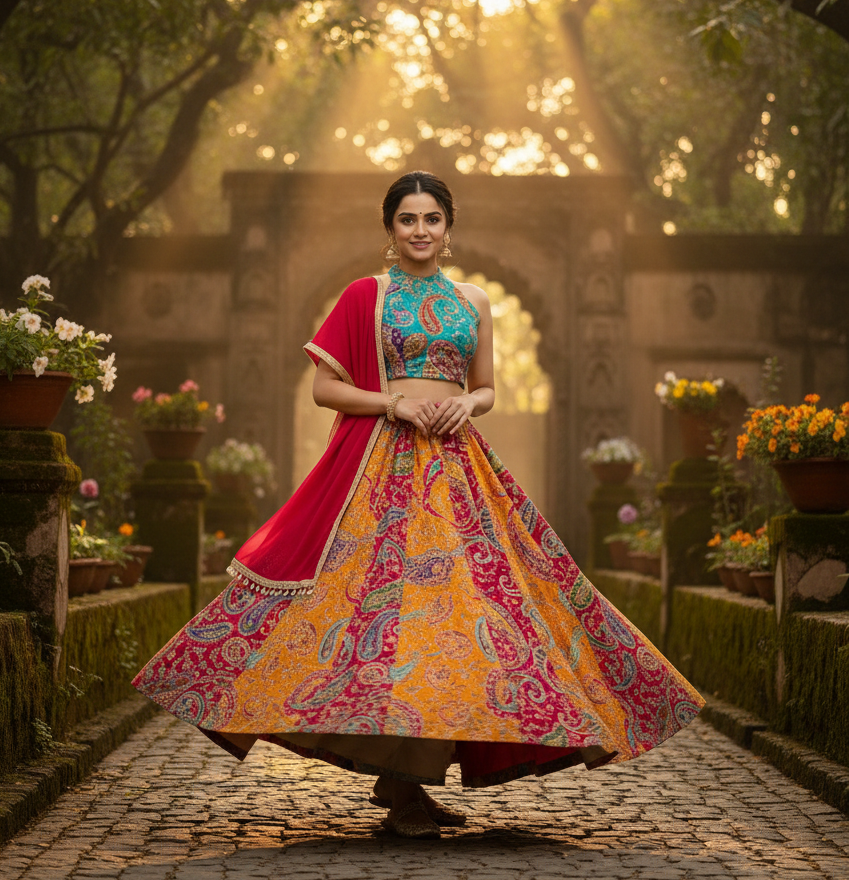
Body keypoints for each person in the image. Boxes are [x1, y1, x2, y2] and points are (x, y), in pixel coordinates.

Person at [133, 170, 704, 839]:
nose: (421, 229)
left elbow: (485, 385)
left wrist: (467, 401)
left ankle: (409, 782)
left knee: (463, 619)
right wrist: (394, 402)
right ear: (389, 230)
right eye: (407, 218)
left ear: (449, 227)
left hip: (459, 468)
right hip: (382, 470)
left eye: (432, 217)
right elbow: (324, 386)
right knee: (389, 619)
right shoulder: (365, 296)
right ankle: (404, 791)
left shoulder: (474, 301)